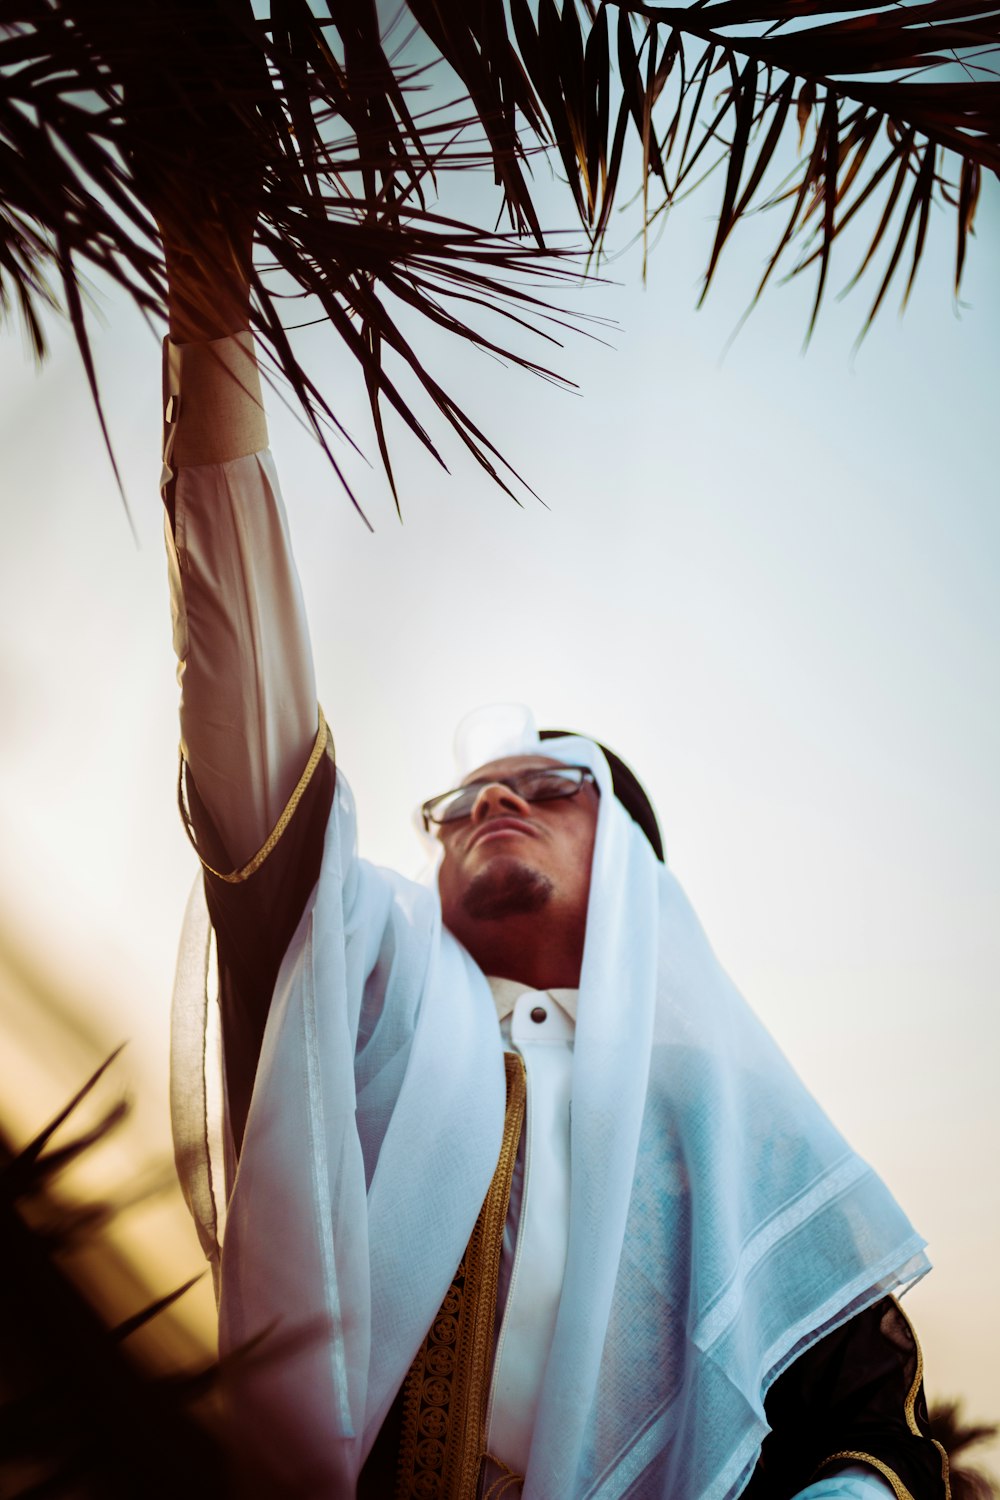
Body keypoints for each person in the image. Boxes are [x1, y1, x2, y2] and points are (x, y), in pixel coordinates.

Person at [158, 181, 950, 1500]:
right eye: (459, 802)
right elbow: (249, 713)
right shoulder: (354, 1004)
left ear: (638, 878)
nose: (487, 806)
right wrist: (209, 288)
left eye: (546, 786)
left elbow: (868, 1438)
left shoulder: (733, 1140)